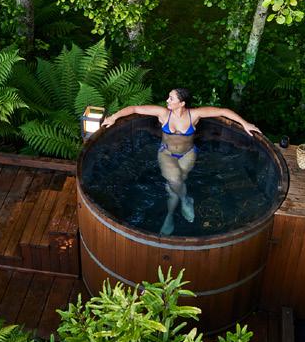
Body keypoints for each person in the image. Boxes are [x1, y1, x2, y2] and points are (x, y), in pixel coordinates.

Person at [101, 89, 262, 236]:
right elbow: (135, 108)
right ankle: (183, 202)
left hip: (188, 154)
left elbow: (223, 111)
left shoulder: (194, 115)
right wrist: (113, 117)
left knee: (174, 186)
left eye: (171, 98)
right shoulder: (163, 114)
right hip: (167, 154)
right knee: (175, 180)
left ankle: (172, 212)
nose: (167, 100)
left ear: (182, 103)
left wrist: (245, 124)